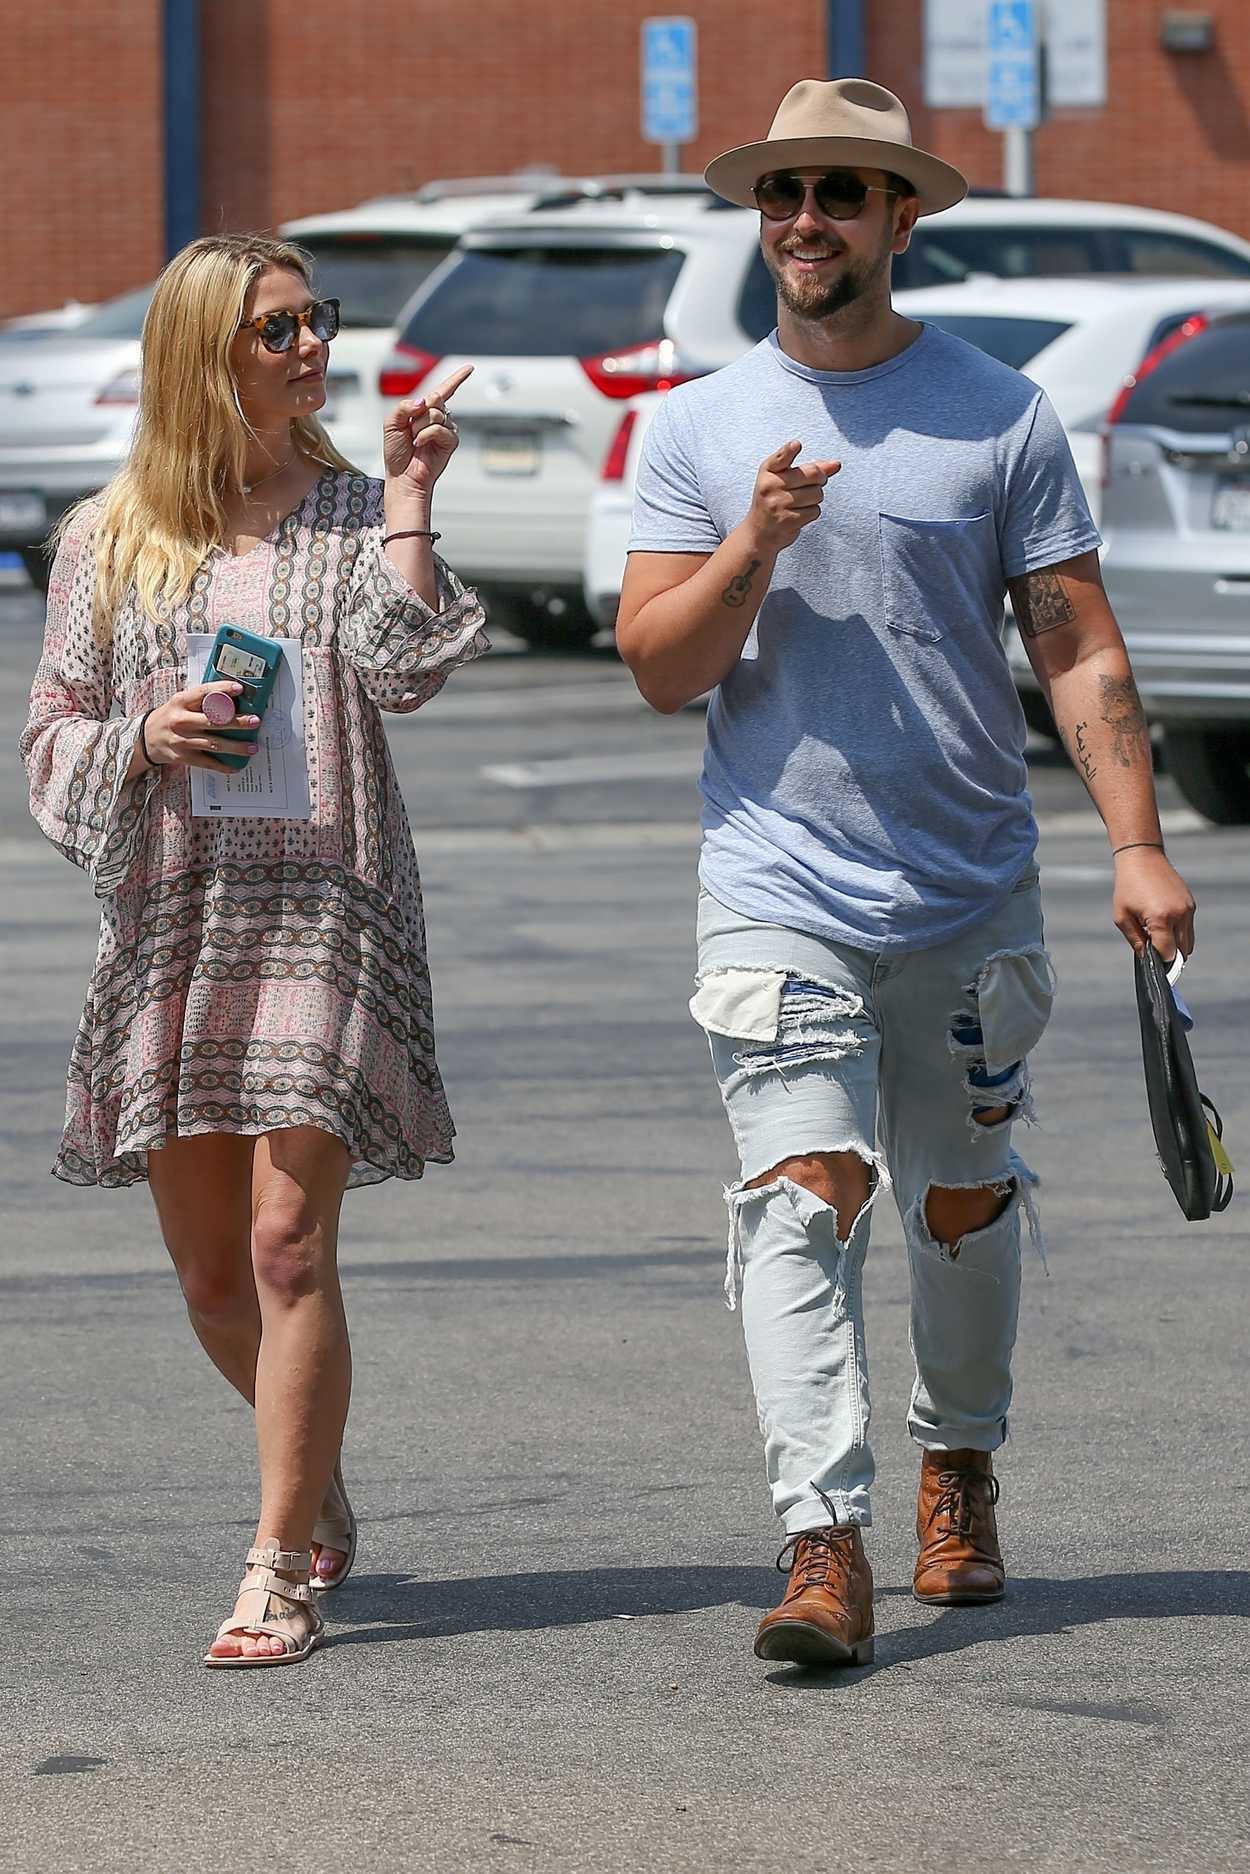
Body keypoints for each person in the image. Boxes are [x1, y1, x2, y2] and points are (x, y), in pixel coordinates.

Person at [616, 79, 1195, 1668]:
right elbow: (661, 669)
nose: (803, 219)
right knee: (799, 1201)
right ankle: (822, 1540)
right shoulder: (699, 424)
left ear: (897, 219)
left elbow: (1072, 640)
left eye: (838, 195)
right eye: (781, 192)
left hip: (964, 888)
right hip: (776, 882)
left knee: (960, 1211)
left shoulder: (997, 411)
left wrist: (1134, 842)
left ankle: (959, 1466)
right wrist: (750, 546)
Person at [21, 233, 487, 1668]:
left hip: (328, 906)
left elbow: (407, 663)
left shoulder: (352, 511)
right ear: (203, 356)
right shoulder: (111, 539)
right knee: (215, 1279)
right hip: (179, 913)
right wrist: (140, 736)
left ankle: (278, 1558)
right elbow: (47, 738)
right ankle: (317, 1474)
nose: (308, 348)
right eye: (274, 329)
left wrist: (409, 492)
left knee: (289, 1245)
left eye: (312, 321)